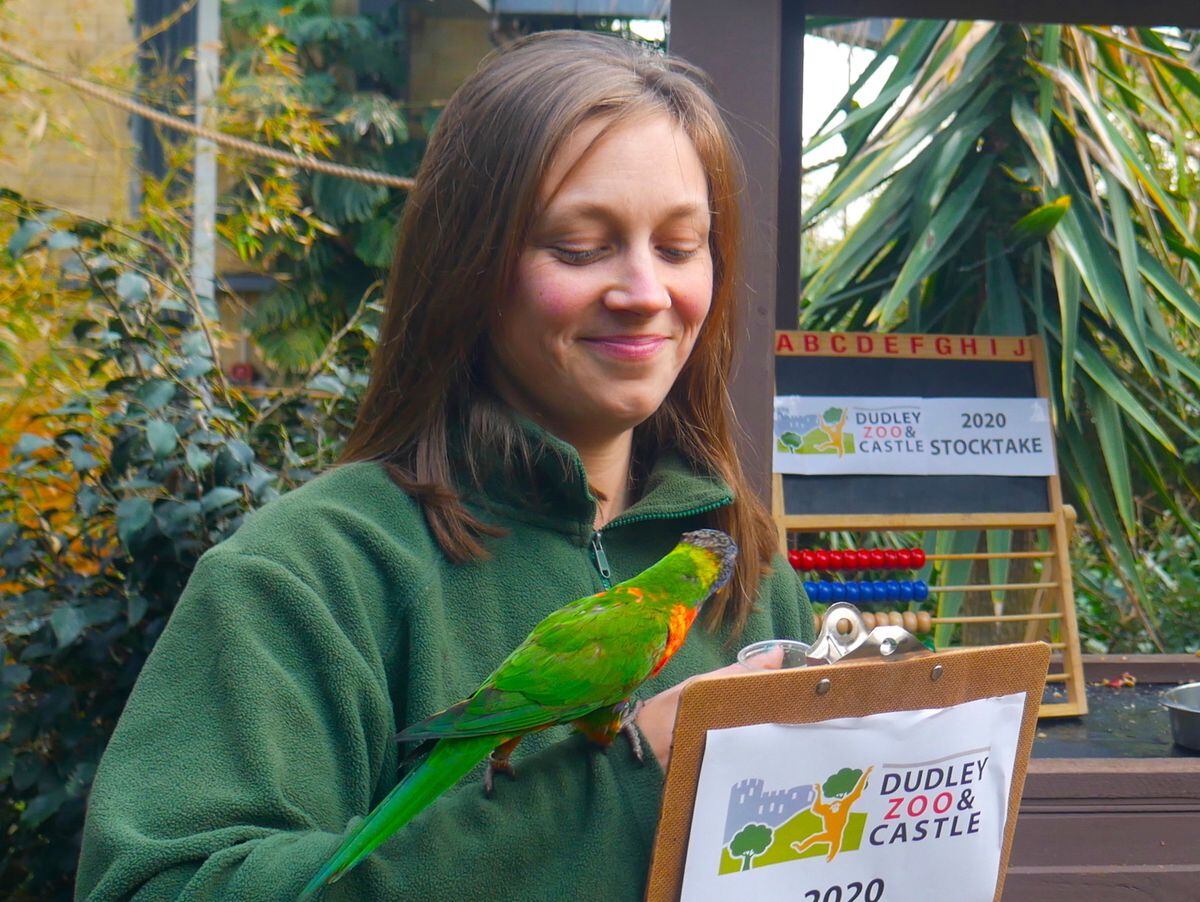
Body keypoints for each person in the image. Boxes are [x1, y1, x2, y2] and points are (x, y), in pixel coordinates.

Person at [76, 30, 814, 900]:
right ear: (469, 269)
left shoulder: (748, 572)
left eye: (681, 246)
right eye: (579, 247)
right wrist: (627, 776)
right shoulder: (310, 575)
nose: (645, 291)